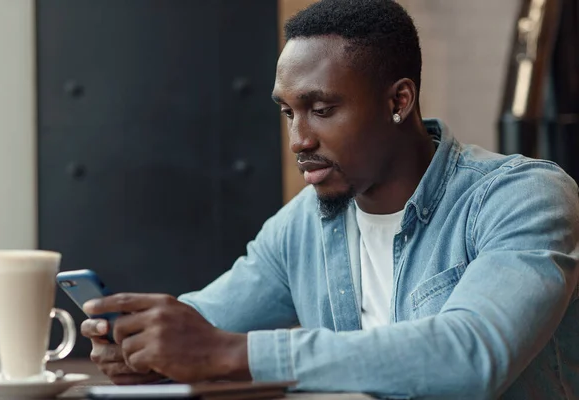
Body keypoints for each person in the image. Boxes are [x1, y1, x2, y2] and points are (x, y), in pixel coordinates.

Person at [80, 0, 579, 398]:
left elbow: (473, 356)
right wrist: (142, 346)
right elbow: (206, 326)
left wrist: (239, 354)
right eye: (288, 113)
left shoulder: (521, 197)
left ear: (397, 101)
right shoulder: (300, 226)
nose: (299, 139)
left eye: (320, 109)